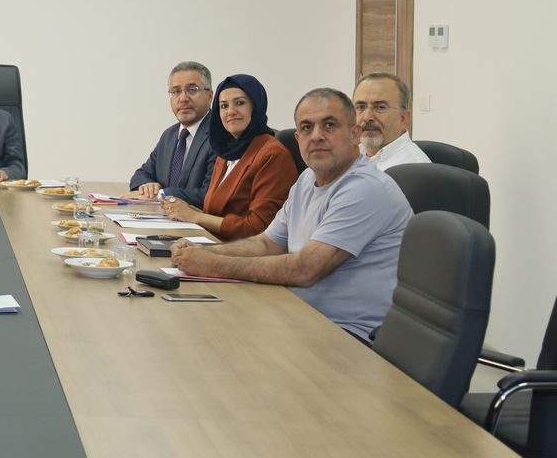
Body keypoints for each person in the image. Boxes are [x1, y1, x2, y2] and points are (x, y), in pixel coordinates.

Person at [170, 88, 412, 340]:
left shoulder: (364, 187)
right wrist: (204, 252)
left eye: (329, 125)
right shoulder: (307, 179)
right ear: (298, 139)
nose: (316, 136)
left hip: (346, 334)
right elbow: (267, 244)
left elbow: (305, 269)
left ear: (355, 134)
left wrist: (213, 264)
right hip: (297, 314)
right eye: (307, 128)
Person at [162, 74, 298, 241]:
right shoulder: (225, 153)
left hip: (242, 251)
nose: (231, 112)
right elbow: (214, 212)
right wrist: (186, 211)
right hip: (212, 243)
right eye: (224, 106)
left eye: (240, 103)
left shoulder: (272, 155)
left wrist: (195, 216)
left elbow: (257, 228)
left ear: (256, 106)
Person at [129, 62, 218, 206]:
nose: (183, 98)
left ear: (209, 96)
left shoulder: (219, 135)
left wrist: (162, 194)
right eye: (176, 91)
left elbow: (209, 194)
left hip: (196, 219)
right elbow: (141, 174)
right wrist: (147, 184)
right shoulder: (169, 136)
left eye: (192, 90)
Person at [353, 72, 431, 170]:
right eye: (360, 107)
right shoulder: (354, 153)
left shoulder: (414, 170)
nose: (367, 117)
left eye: (380, 107)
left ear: (403, 118)